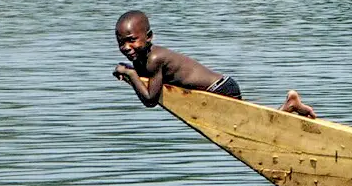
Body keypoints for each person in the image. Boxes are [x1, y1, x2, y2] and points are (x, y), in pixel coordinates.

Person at [112, 10, 317, 117]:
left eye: (132, 40)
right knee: (251, 122)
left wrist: (130, 74)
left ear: (149, 37)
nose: (126, 47)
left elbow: (150, 100)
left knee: (250, 127)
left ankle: (288, 107)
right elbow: (146, 82)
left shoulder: (154, 59)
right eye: (121, 43)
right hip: (222, 85)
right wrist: (131, 74)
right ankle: (289, 106)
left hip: (219, 89)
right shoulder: (145, 59)